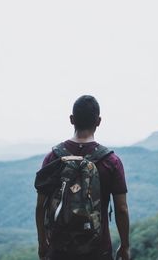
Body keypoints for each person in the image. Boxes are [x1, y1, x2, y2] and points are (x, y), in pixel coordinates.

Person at [35, 95, 130, 260]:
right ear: (99, 121)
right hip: (98, 250)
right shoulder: (111, 161)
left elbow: (40, 206)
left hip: (59, 250)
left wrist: (43, 243)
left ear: (71, 119)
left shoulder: (53, 158)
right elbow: (121, 209)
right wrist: (125, 245)